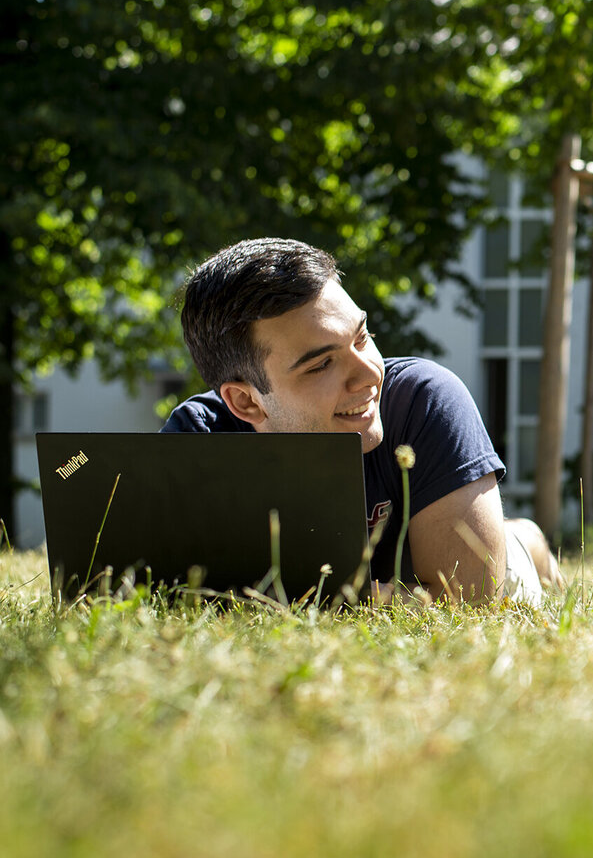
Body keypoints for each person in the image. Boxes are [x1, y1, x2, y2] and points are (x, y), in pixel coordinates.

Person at [162, 238, 562, 604]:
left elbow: (471, 601)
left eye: (361, 337)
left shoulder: (424, 399)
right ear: (247, 402)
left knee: (515, 557)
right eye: (322, 365)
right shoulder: (201, 440)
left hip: (476, 562)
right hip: (391, 586)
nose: (370, 374)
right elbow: (163, 594)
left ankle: (529, 542)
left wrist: (322, 603)